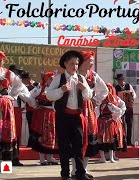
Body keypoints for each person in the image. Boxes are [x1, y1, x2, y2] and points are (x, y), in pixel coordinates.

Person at [46, 50, 93, 180]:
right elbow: (49, 95)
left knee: (79, 146)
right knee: (64, 146)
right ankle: (65, 174)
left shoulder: (81, 78)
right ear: (65, 64)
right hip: (63, 117)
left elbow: (88, 96)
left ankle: (80, 173)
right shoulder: (58, 78)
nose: (75, 66)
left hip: (77, 117)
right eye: (72, 63)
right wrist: (61, 90)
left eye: (77, 64)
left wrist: (84, 89)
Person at [71, 51, 108, 178]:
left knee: (88, 138)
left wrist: (95, 100)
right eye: (90, 60)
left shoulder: (93, 75)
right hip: (75, 108)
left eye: (92, 61)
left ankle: (84, 169)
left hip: (88, 110)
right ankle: (74, 170)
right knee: (76, 139)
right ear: (82, 61)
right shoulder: (72, 74)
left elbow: (104, 90)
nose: (92, 63)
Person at [30, 72, 59, 166]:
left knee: (52, 136)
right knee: (41, 135)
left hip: (53, 114)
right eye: (50, 78)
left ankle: (50, 157)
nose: (52, 80)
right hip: (42, 114)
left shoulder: (56, 89)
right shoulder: (40, 88)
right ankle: (42, 159)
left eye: (53, 78)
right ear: (46, 79)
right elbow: (30, 95)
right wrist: (35, 105)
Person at [97, 83, 126, 163]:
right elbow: (96, 112)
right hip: (101, 123)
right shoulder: (99, 104)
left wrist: (114, 117)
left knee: (111, 140)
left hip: (109, 123)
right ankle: (103, 157)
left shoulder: (111, 103)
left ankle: (111, 157)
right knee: (101, 140)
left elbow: (120, 109)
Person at [115, 74, 137, 147]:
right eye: (118, 80)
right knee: (122, 124)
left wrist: (132, 98)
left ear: (123, 80)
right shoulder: (116, 88)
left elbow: (134, 94)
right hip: (121, 108)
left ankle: (129, 141)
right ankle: (122, 142)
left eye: (120, 80)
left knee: (129, 124)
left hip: (129, 107)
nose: (119, 81)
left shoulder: (128, 86)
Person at [20, 71, 39, 147]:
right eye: (28, 78)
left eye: (30, 78)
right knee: (30, 128)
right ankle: (30, 143)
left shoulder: (34, 86)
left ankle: (33, 143)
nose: (30, 79)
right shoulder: (23, 87)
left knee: (34, 127)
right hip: (28, 110)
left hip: (34, 110)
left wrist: (35, 85)